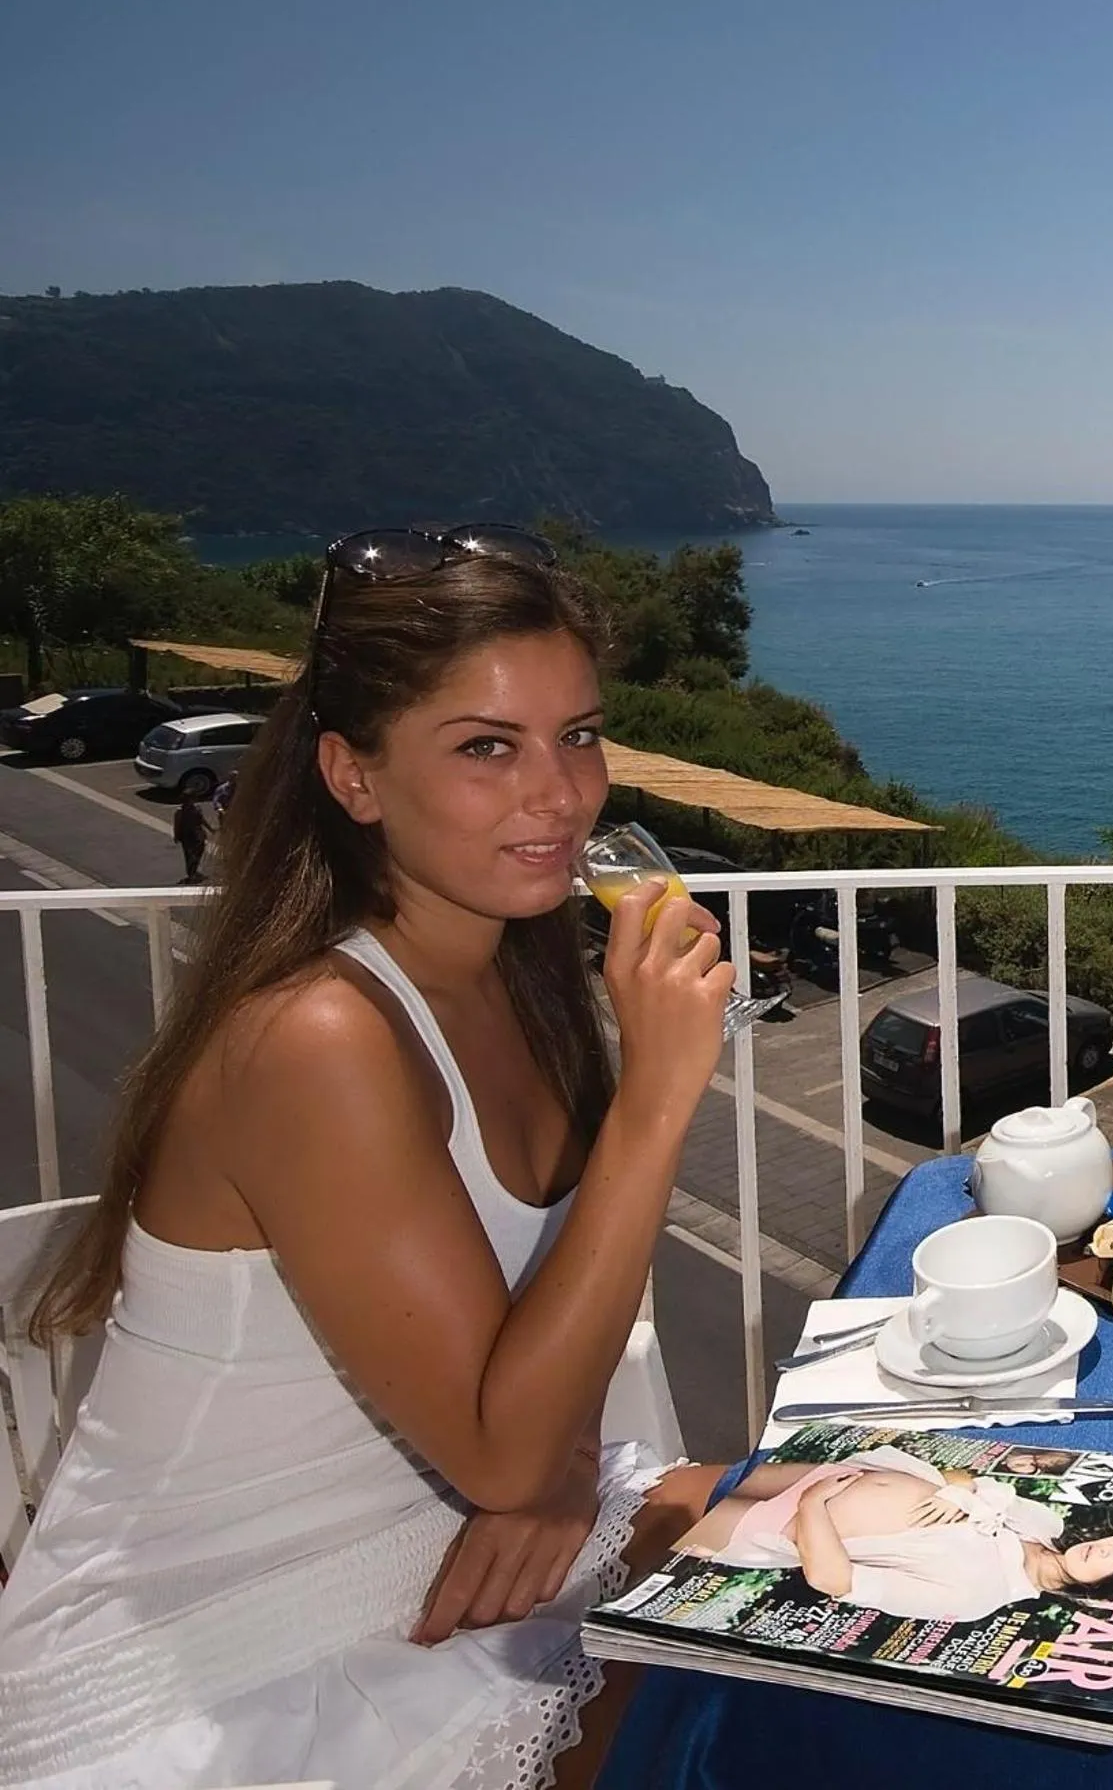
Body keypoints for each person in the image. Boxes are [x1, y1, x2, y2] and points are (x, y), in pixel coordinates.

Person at [0, 524, 736, 1790]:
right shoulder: (318, 1035)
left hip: (449, 1539)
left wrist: (563, 1474)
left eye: (578, 733)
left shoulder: (523, 967)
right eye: (485, 748)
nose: (559, 794)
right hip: (227, 1657)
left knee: (859, 1539)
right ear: (352, 775)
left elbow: (522, 1385)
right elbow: (499, 1442)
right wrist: (658, 1097)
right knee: (774, 1716)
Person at [677, 1445, 1113, 1623]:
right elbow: (962, 1479)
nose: (1110, 1548)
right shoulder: (1046, 1525)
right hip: (833, 1470)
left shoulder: (978, 1596)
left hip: (782, 1524)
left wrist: (815, 1507)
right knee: (700, 1472)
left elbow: (835, 1580)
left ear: (1108, 1591)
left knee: (661, 1508)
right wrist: (959, 1492)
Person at [171, 789, 207, 881]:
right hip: (187, 836)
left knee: (198, 853)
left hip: (198, 834)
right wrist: (176, 835)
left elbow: (202, 820)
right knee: (190, 855)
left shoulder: (197, 808)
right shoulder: (180, 811)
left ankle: (194, 871)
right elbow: (177, 824)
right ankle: (191, 873)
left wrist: (210, 829)